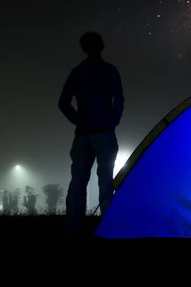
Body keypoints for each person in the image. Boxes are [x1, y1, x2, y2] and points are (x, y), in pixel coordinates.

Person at [58, 31, 124, 236]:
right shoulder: (109, 70)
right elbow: (119, 99)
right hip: (104, 132)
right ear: (100, 45)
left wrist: (78, 119)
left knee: (77, 182)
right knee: (106, 181)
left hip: (82, 134)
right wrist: (113, 120)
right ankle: (108, 228)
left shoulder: (77, 72)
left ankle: (74, 227)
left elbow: (63, 103)